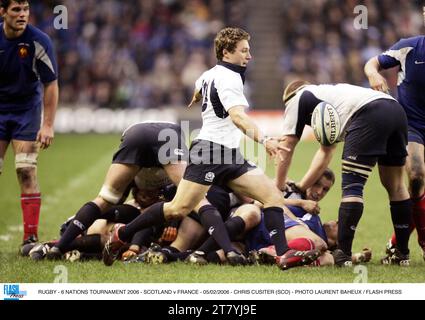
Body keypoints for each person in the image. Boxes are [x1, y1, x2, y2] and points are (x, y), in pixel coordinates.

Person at [103, 27, 320, 270]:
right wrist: (266, 140)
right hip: (209, 152)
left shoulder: (209, 74)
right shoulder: (230, 79)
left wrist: (197, 98)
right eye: (244, 51)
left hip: (229, 154)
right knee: (178, 208)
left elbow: (199, 88)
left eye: (249, 50)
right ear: (227, 52)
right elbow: (238, 117)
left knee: (271, 196)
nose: (249, 56)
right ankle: (123, 235)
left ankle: (283, 254)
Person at [277, 81, 412, 267]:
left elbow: (286, 146)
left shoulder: (296, 99)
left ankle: (343, 254)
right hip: (395, 110)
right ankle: (402, 254)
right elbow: (326, 151)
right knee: (397, 186)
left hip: (368, 113)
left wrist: (278, 186)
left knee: (352, 187)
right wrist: (301, 187)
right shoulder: (330, 98)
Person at [46, 121, 188, 259]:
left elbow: (112, 203)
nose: (146, 197)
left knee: (105, 199)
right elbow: (184, 199)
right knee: (192, 197)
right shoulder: (160, 197)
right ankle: (65, 239)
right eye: (144, 195)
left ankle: (59, 246)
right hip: (169, 134)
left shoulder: (142, 191)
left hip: (135, 133)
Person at [0, 0, 58, 245]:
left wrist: (48, 125)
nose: (22, 15)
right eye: (16, 10)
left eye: (25, 9)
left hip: (26, 111)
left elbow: (51, 84)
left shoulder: (39, 40)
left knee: (25, 170)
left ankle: (30, 237)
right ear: (2, 12)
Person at [364, 36, 425, 262]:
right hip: (413, 126)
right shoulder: (410, 47)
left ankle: (395, 245)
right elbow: (372, 63)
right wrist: (373, 74)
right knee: (416, 176)